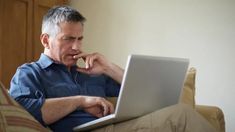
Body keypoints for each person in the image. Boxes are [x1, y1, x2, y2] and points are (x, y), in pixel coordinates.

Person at [9, 6, 216, 132]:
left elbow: (150, 95)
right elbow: (24, 111)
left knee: (178, 111)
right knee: (181, 116)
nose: (77, 47)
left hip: (116, 126)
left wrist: (108, 68)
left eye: (80, 39)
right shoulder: (30, 72)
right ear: (46, 39)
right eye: (68, 39)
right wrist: (80, 102)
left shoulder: (91, 73)